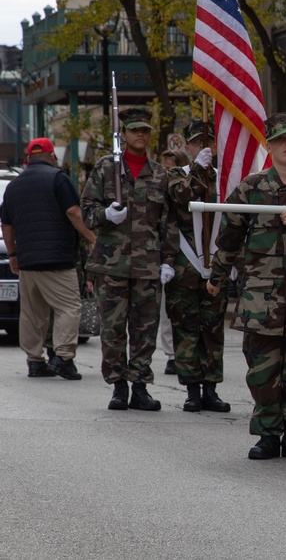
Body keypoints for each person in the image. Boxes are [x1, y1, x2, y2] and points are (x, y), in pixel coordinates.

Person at [207, 112, 286, 461]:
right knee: (262, 372)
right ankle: (266, 435)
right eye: (281, 140)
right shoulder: (251, 188)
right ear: (270, 145)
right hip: (259, 298)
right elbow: (230, 237)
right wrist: (217, 277)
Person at [81, 108, 177, 412]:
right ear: (123, 135)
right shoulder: (107, 169)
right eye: (135, 130)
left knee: (144, 330)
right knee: (112, 329)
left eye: (145, 130)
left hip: (148, 265)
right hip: (111, 265)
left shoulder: (160, 174)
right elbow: (86, 209)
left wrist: (168, 261)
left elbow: (168, 222)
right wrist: (105, 215)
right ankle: (118, 386)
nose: (141, 135)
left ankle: (140, 387)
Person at [0, 138, 96, 379]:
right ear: (52, 156)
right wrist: (91, 236)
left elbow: (7, 225)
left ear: (28, 160)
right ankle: (63, 357)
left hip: (28, 260)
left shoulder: (14, 185)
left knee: (33, 313)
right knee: (68, 308)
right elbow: (73, 212)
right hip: (58, 258)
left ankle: (34, 361)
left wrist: (13, 254)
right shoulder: (58, 178)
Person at [165, 121, 231, 413]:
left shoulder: (225, 178)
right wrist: (196, 170)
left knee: (213, 330)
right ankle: (192, 390)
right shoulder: (175, 175)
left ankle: (211, 389)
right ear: (188, 147)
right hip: (185, 266)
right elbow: (183, 196)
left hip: (216, 264)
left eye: (209, 142)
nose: (203, 147)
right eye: (196, 143)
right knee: (186, 330)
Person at [158, 149, 188, 375]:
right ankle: (171, 354)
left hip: (184, 254)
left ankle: (187, 352)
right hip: (159, 254)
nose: (166, 173)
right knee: (165, 310)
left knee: (182, 310)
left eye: (170, 169)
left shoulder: (185, 187)